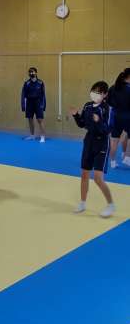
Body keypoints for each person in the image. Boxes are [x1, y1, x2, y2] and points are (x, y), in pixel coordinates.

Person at [70, 81, 115, 218]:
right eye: (93, 90)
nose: (95, 94)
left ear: (105, 94)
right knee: (84, 174)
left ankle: (110, 205)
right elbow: (82, 124)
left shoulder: (107, 109)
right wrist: (76, 115)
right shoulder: (88, 105)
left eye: (99, 92)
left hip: (102, 143)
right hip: (89, 141)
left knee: (97, 178)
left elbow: (107, 130)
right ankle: (82, 203)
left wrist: (98, 121)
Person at [108, 68, 130, 168]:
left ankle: (112, 162)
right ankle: (127, 158)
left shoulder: (113, 88)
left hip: (116, 116)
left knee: (114, 140)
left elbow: (108, 101)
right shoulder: (129, 89)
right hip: (128, 116)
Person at [21, 67, 46, 142]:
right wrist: (23, 105)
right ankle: (32, 135)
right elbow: (23, 94)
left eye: (33, 72)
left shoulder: (40, 83)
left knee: (40, 119)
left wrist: (44, 105)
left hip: (38, 102)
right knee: (30, 119)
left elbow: (43, 95)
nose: (31, 73)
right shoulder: (27, 83)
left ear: (36, 73)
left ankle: (43, 136)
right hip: (29, 102)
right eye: (30, 72)